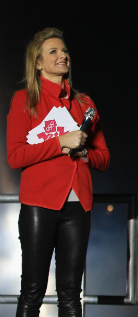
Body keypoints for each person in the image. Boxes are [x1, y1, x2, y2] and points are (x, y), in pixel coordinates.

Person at [6, 27, 110, 316]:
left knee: (71, 294)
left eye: (64, 51)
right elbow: (15, 157)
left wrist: (86, 153)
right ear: (38, 63)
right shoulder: (24, 100)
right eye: (53, 51)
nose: (62, 55)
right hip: (39, 204)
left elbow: (104, 158)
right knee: (33, 291)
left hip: (79, 206)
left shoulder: (85, 103)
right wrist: (59, 142)